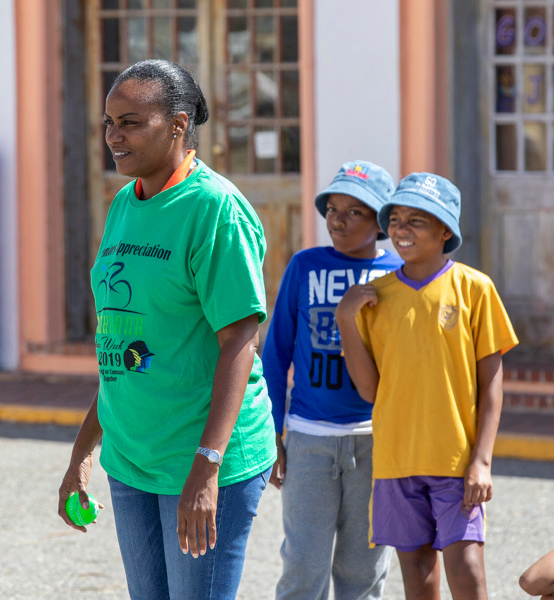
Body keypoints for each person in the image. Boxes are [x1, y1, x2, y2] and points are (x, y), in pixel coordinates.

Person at [57, 59, 276, 600]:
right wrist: (83, 453)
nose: (114, 137)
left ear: (178, 125)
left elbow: (239, 342)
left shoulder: (215, 210)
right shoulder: (124, 205)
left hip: (202, 461)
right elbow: (121, 344)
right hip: (133, 459)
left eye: (130, 123)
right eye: (109, 123)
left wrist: (207, 467)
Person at [336, 172, 519, 600]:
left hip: (456, 462)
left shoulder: (475, 289)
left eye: (416, 220)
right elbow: (370, 391)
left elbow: (492, 386)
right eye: (395, 219)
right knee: (418, 577)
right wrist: (346, 318)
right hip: (396, 462)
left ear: (445, 231)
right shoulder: (374, 298)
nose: (401, 229)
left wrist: (482, 462)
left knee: (467, 570)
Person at [262, 160, 400, 600]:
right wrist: (273, 432)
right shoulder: (305, 265)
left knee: (365, 571)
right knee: (303, 567)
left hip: (376, 440)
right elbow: (275, 353)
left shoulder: (398, 275)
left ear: (380, 222)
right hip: (309, 439)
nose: (338, 220)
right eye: (332, 209)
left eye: (354, 211)